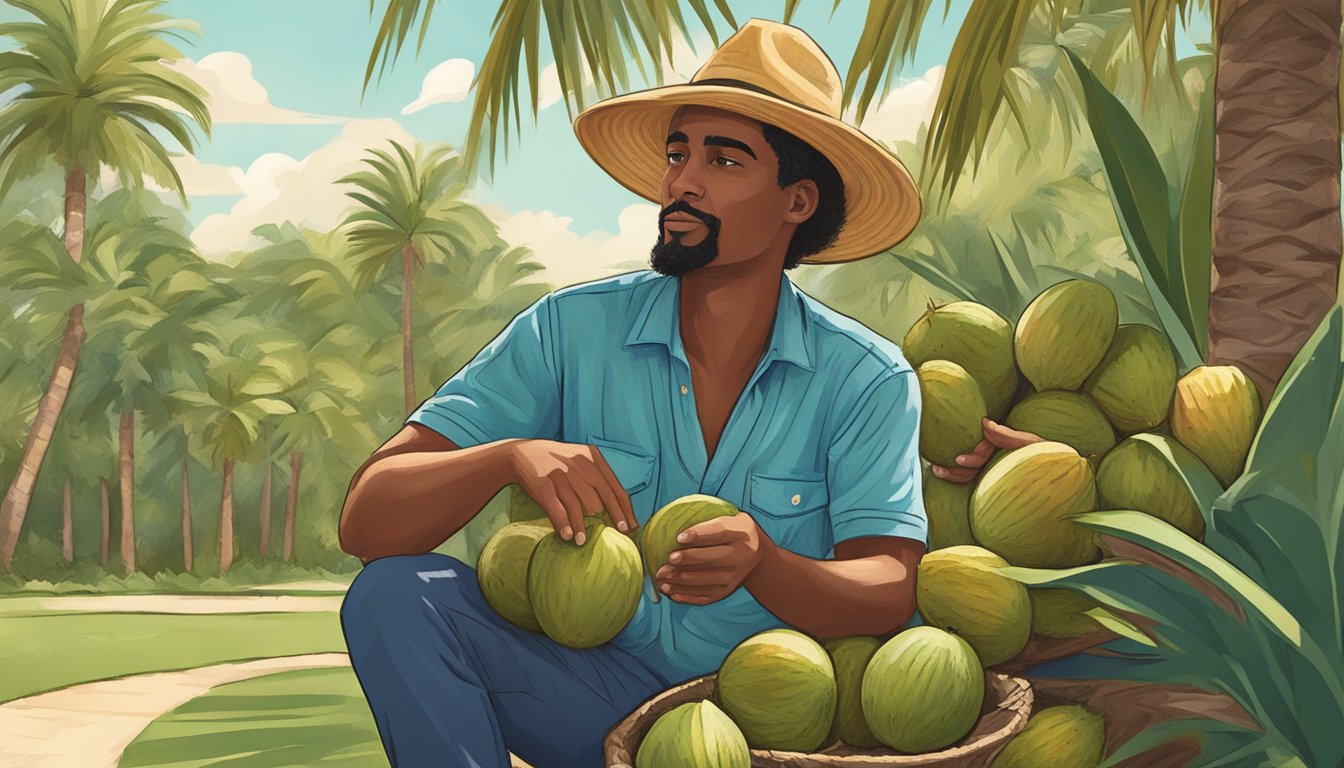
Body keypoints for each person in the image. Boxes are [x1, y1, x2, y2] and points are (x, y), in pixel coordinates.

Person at [337, 18, 1035, 768]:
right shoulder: (570, 329)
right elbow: (368, 521)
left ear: (797, 201)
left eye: (724, 159)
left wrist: (765, 562)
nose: (682, 183)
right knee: (395, 596)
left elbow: (889, 585)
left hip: (763, 728)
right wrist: (506, 458)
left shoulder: (867, 377)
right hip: (594, 692)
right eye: (679, 153)